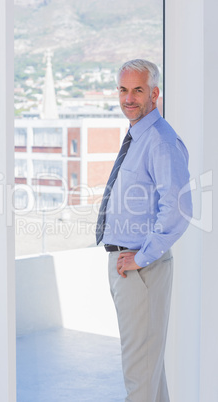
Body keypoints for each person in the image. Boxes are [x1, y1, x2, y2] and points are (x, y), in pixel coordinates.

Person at [96, 59, 192, 402]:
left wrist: (142, 257)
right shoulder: (140, 136)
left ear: (154, 93)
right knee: (148, 372)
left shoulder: (160, 141)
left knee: (138, 376)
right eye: (123, 89)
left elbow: (179, 208)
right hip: (129, 266)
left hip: (142, 270)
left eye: (137, 90)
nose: (129, 98)